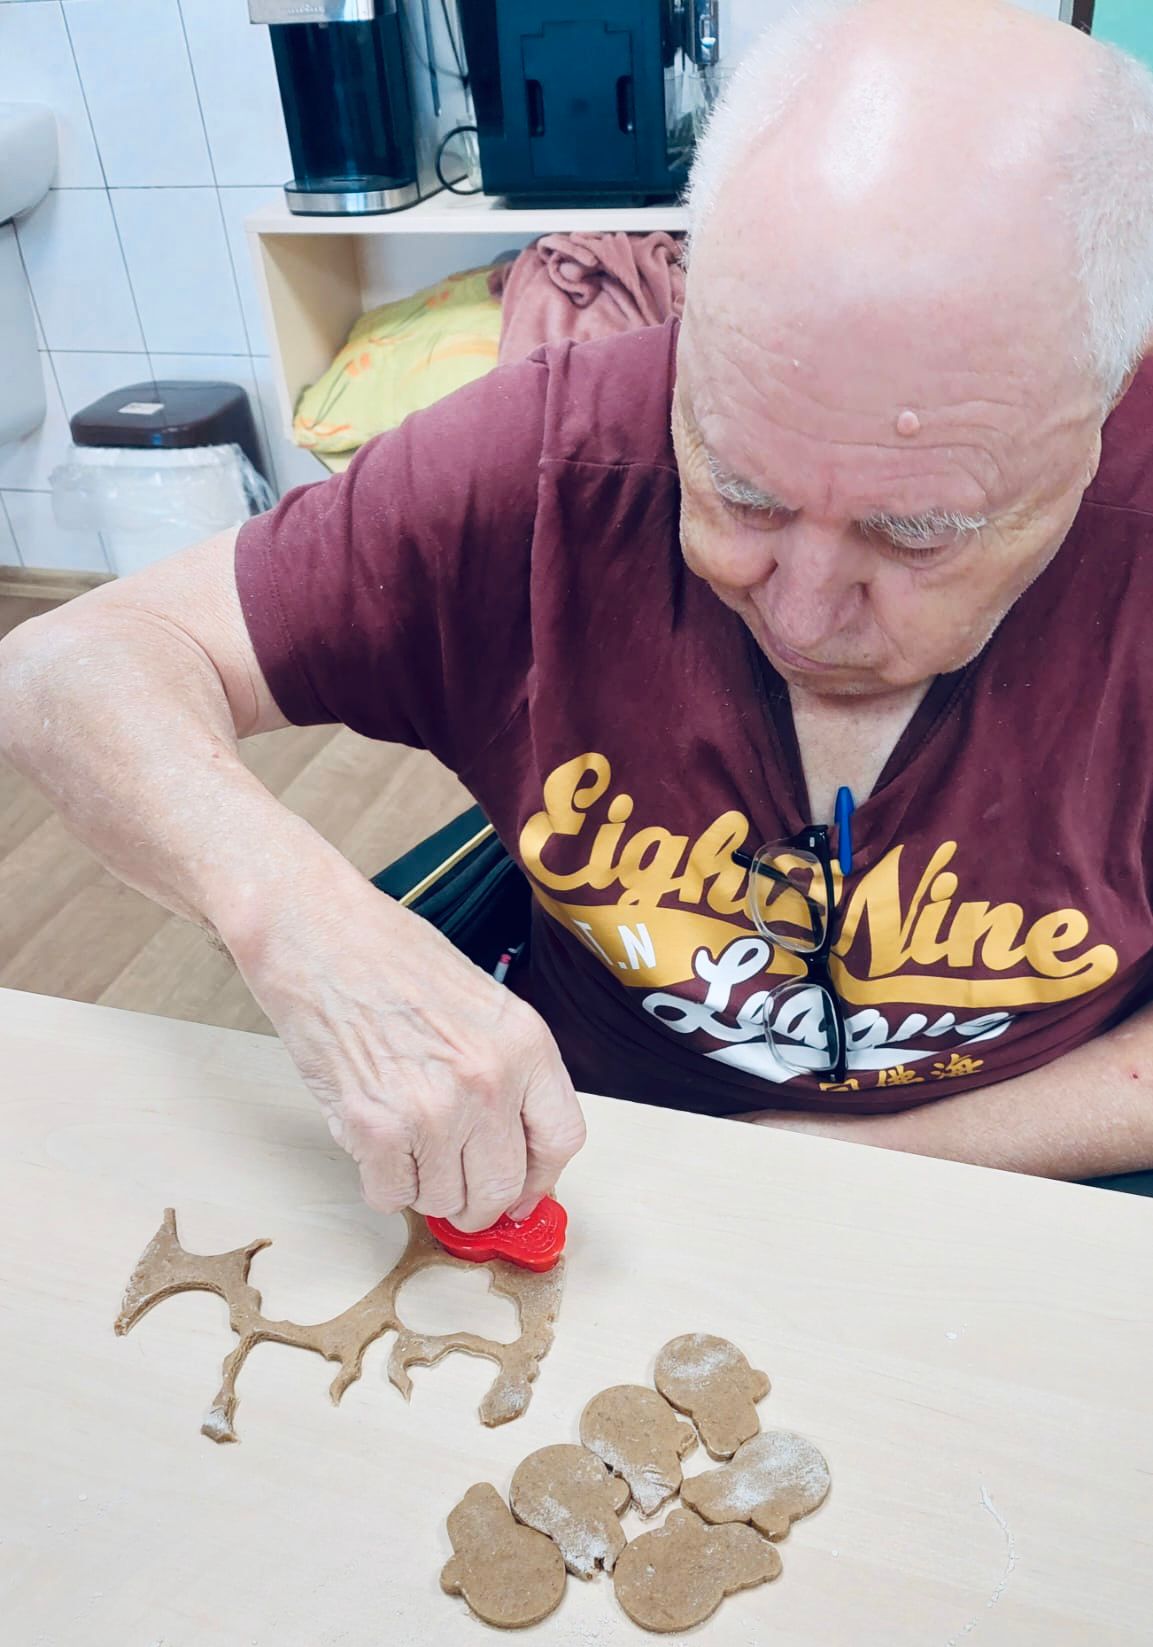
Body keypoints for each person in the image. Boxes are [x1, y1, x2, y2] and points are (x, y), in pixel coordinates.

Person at [3, 0, 1153, 1226]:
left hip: (1025, 1179)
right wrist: (301, 925)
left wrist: (836, 1168)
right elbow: (71, 664)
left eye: (916, 532)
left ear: (1101, 413)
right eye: (742, 491)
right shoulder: (553, 458)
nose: (806, 613)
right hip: (593, 1170)